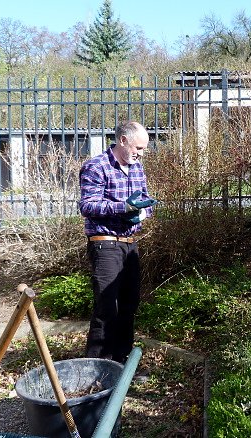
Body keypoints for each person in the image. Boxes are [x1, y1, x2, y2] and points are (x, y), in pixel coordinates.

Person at [79, 120, 157, 363]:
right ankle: (97, 366)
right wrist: (123, 207)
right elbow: (87, 205)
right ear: (123, 140)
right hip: (105, 242)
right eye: (138, 148)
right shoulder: (96, 166)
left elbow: (146, 202)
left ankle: (120, 364)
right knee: (107, 307)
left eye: (143, 149)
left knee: (128, 305)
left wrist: (142, 212)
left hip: (129, 242)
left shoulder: (137, 168)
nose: (141, 154)